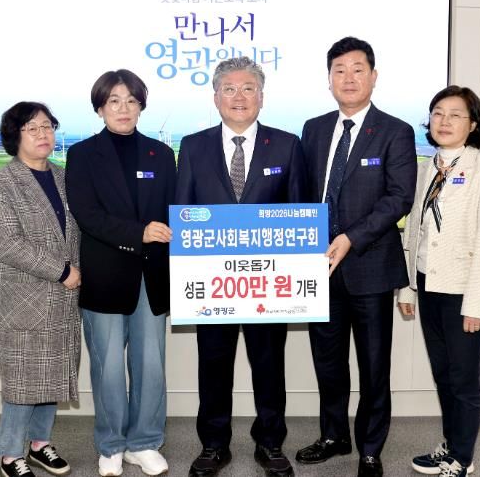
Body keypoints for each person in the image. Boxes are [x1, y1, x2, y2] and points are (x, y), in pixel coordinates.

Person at [176, 56, 306, 477]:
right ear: (215, 97)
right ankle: (214, 444)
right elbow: (183, 211)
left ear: (261, 97)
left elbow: (300, 213)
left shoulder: (287, 145)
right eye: (229, 89)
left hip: (268, 284)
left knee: (269, 366)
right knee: (213, 366)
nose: (239, 97)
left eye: (248, 88)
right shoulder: (193, 146)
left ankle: (270, 442)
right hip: (213, 284)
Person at [296, 37, 417, 477]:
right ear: (329, 79)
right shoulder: (313, 129)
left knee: (373, 366)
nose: (348, 78)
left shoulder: (395, 131)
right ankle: (333, 435)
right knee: (327, 361)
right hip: (318, 269)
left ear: (374, 76)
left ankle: (370, 448)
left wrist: (351, 237)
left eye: (357, 69)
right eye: (339, 70)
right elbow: (301, 194)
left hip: (371, 267)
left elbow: (399, 198)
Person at [65, 69, 176, 477]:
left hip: (152, 276)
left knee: (151, 365)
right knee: (108, 366)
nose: (123, 108)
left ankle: (145, 441)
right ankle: (111, 444)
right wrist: (138, 233)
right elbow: (87, 215)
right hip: (105, 275)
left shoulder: (161, 153)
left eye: (131, 100)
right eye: (113, 100)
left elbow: (174, 211)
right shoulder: (82, 155)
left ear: (141, 106)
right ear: (100, 108)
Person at [397, 86, 480, 477]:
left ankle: (462, 458)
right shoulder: (426, 168)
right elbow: (414, 231)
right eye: (438, 113)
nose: (444, 121)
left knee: (463, 380)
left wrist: (477, 305)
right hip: (428, 286)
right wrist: (408, 287)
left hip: (465, 293)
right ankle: (451, 444)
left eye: (455, 114)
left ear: (473, 124)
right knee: (443, 375)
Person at [0, 101, 82, 477]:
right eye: (32, 128)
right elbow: (7, 243)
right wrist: (62, 271)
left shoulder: (64, 177)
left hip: (64, 297)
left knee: (52, 372)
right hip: (25, 298)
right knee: (22, 379)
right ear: (15, 136)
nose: (43, 134)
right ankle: (9, 455)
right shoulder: (0, 183)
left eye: (47, 127)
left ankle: (40, 445)